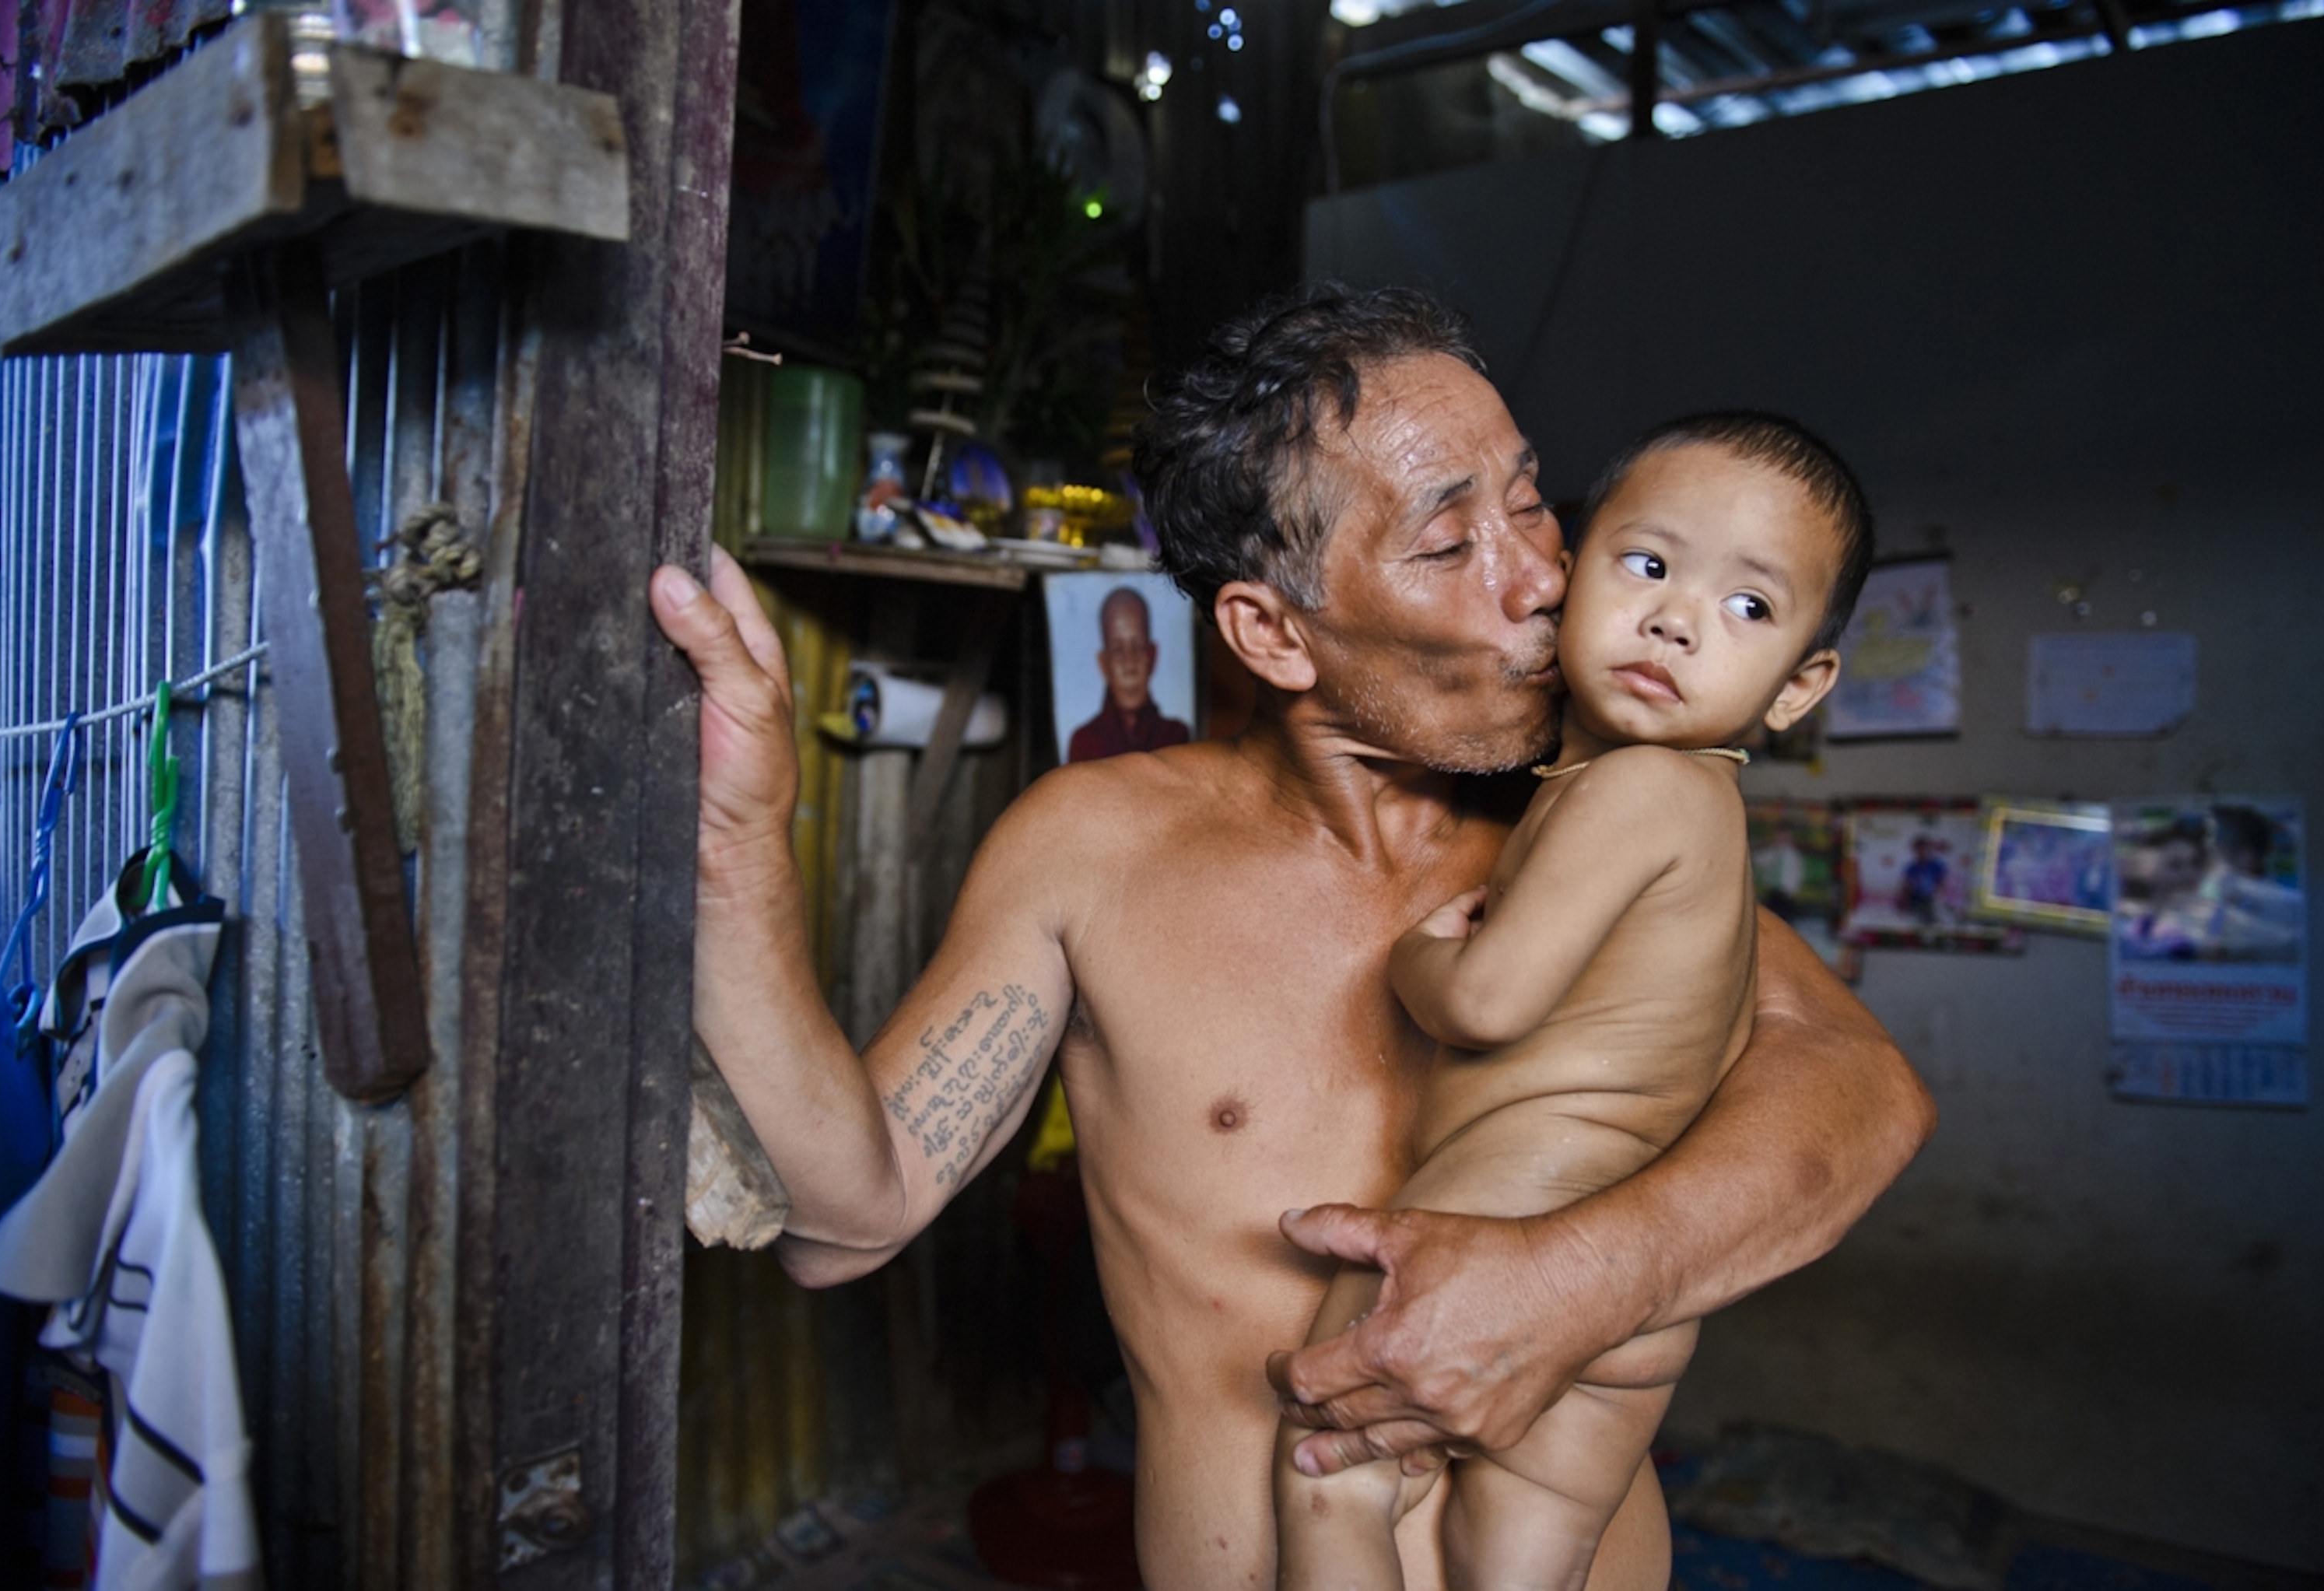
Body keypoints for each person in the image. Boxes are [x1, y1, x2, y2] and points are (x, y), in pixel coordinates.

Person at [648, 283, 1934, 1591]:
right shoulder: (1097, 853)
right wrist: (737, 847)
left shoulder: (1588, 821)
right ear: (1271, 633)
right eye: (1450, 543)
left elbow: (1866, 1092)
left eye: (1531, 501)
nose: (1545, 579)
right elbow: (843, 1217)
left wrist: (1583, 1279)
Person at [1273, 412, 1869, 1591]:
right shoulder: (1699, 819)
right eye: (1647, 563)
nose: (1677, 619)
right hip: (1633, 1317)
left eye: (1749, 605)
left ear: (1800, 686)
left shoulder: (1639, 789)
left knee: (1330, 1468)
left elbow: (1487, 1001)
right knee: (1524, 1554)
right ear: (1567, 576)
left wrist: (1415, 958)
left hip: (1507, 1214)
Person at [1067, 586, 1192, 762]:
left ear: (1153, 655)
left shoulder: (1175, 736)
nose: (1129, 663)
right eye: (1118, 650)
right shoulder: (1085, 742)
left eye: (1138, 647)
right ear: (1103, 663)